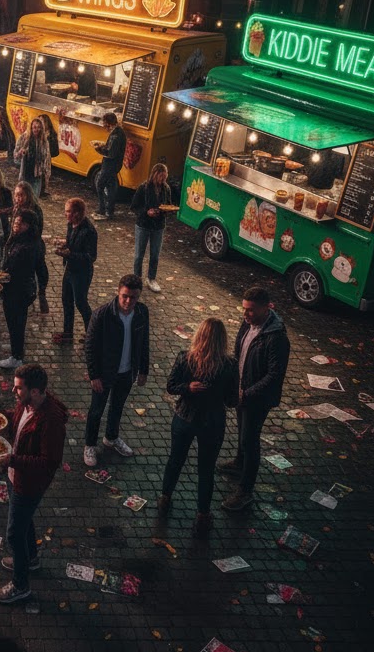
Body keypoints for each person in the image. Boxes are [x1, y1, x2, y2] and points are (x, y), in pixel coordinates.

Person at [0, 363, 67, 604]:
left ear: (35, 391)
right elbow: (18, 421)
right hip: (17, 477)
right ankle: (31, 558)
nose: (14, 392)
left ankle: (20, 585)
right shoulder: (27, 404)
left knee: (14, 535)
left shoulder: (51, 421)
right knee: (25, 522)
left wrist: (13, 460)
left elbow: (48, 462)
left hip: (29, 483)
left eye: (18, 389)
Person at [160, 318, 240, 536]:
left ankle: (165, 498)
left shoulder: (186, 358)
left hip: (184, 418)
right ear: (223, 340)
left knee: (175, 460)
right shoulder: (230, 365)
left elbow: (171, 386)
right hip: (212, 423)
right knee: (206, 469)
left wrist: (187, 387)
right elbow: (232, 401)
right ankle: (203, 515)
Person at [217, 287, 291, 511]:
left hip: (257, 398)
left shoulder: (276, 338)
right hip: (242, 391)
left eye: (250, 310)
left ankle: (245, 491)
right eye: (244, 309)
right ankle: (240, 463)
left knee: (250, 440)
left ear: (266, 308)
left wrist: (246, 394)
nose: (245, 314)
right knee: (242, 432)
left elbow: (274, 375)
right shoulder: (248, 323)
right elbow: (240, 353)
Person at [83, 274, 150, 466]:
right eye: (125, 296)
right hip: (104, 373)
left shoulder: (142, 313)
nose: (129, 301)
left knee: (117, 407)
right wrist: (94, 375)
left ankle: (111, 438)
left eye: (133, 297)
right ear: (118, 293)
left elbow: (144, 341)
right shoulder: (102, 314)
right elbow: (90, 346)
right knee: (96, 410)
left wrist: (143, 369)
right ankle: (89, 444)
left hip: (127, 372)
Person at [0, 210, 47, 371]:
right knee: (18, 322)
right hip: (24, 289)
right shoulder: (31, 241)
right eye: (14, 223)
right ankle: (17, 353)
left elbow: (15, 271)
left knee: (15, 323)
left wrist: (1, 277)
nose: (15, 226)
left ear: (27, 225)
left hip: (17, 291)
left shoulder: (26, 247)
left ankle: (16, 356)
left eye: (19, 224)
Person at [52, 197, 97, 345]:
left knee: (81, 303)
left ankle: (91, 336)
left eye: (68, 212)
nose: (65, 214)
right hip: (70, 269)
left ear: (77, 213)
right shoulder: (71, 225)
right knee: (66, 301)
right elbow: (70, 241)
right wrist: (63, 243)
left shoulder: (89, 231)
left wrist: (69, 254)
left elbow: (91, 256)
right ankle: (67, 334)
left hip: (82, 273)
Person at [130, 163, 173, 292]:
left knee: (155, 255)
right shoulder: (144, 188)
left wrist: (167, 210)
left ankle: (151, 278)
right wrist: (146, 212)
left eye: (165, 178)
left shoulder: (166, 189)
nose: (163, 181)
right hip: (143, 225)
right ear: (155, 175)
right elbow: (134, 206)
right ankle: (137, 279)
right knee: (139, 255)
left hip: (159, 226)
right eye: (161, 177)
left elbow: (168, 204)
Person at [93, 112, 126, 220]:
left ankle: (103, 209)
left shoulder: (116, 135)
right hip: (115, 165)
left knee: (100, 185)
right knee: (111, 187)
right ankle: (109, 210)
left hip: (110, 165)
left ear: (109, 123)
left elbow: (110, 153)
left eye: (104, 123)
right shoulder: (119, 132)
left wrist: (99, 149)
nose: (103, 126)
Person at [14, 115, 50, 197]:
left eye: (38, 127)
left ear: (41, 128)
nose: (36, 129)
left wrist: (46, 175)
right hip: (26, 172)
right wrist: (21, 152)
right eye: (34, 127)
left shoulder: (44, 141)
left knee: (34, 198)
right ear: (31, 127)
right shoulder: (24, 138)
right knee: (24, 196)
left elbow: (47, 159)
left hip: (37, 174)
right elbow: (15, 155)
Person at [39, 117, 59, 198]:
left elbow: (54, 149)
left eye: (42, 121)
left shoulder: (51, 135)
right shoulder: (39, 133)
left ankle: (42, 191)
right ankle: (40, 191)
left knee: (45, 174)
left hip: (46, 158)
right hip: (40, 157)